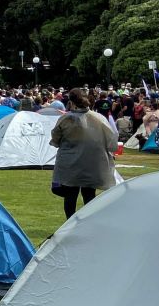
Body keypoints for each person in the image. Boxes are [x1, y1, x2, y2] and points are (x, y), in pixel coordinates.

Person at [50, 88, 117, 220]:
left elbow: (55, 139)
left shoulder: (65, 119)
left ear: (71, 102)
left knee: (70, 194)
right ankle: (89, 224)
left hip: (69, 163)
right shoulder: (99, 118)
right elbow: (112, 142)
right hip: (92, 162)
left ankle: (69, 224)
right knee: (89, 194)